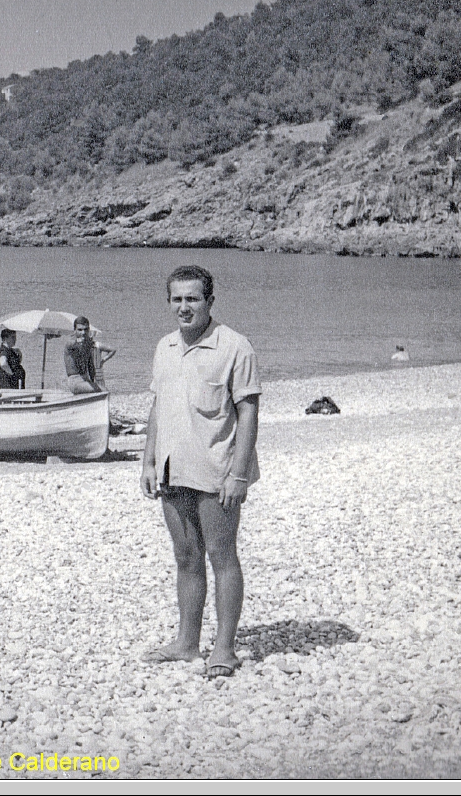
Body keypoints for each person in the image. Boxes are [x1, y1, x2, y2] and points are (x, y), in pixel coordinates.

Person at [139, 265, 261, 680]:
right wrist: (148, 460)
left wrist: (238, 475)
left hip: (217, 468)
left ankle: (224, 648)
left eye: (193, 299)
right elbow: (158, 407)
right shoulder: (165, 347)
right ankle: (187, 643)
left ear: (210, 301)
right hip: (173, 469)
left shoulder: (235, 346)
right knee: (186, 558)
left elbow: (248, 412)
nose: (184, 307)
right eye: (177, 299)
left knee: (223, 559)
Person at [63, 316, 100, 393]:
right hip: (74, 381)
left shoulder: (86, 344)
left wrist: (93, 381)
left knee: (102, 389)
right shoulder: (70, 342)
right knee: (101, 390)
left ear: (89, 330)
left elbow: (91, 366)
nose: (83, 332)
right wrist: (86, 343)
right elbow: (74, 345)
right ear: (74, 330)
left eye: (85, 330)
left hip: (85, 379)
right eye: (80, 330)